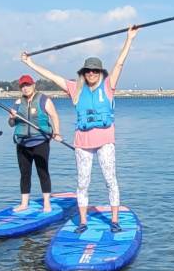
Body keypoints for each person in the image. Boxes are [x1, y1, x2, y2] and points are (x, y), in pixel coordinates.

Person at [21, 25, 140, 232]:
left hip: (105, 142)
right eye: (88, 71)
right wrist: (30, 62)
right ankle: (83, 222)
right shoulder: (75, 89)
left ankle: (114, 220)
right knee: (82, 183)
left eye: (95, 70)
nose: (92, 73)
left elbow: (120, 63)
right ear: (83, 73)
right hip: (82, 144)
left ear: (100, 73)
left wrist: (129, 38)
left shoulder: (108, 86)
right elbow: (50, 76)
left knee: (110, 180)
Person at [8, 74, 63, 212]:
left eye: (28, 85)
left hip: (40, 141)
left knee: (42, 172)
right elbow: (11, 124)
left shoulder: (44, 100)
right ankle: (24, 203)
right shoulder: (17, 103)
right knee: (24, 173)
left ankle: (46, 203)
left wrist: (57, 133)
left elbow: (54, 116)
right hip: (22, 143)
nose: (25, 88)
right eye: (23, 86)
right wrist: (12, 118)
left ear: (34, 85)